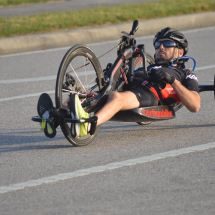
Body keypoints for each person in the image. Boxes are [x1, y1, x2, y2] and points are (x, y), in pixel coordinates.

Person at [37, 27, 201, 138]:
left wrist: (171, 80)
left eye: (167, 44)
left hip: (150, 93)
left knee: (116, 97)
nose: (161, 47)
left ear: (180, 51)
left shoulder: (185, 73)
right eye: (158, 44)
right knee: (94, 95)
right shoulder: (150, 65)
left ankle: (87, 126)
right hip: (129, 85)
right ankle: (53, 115)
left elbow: (194, 105)